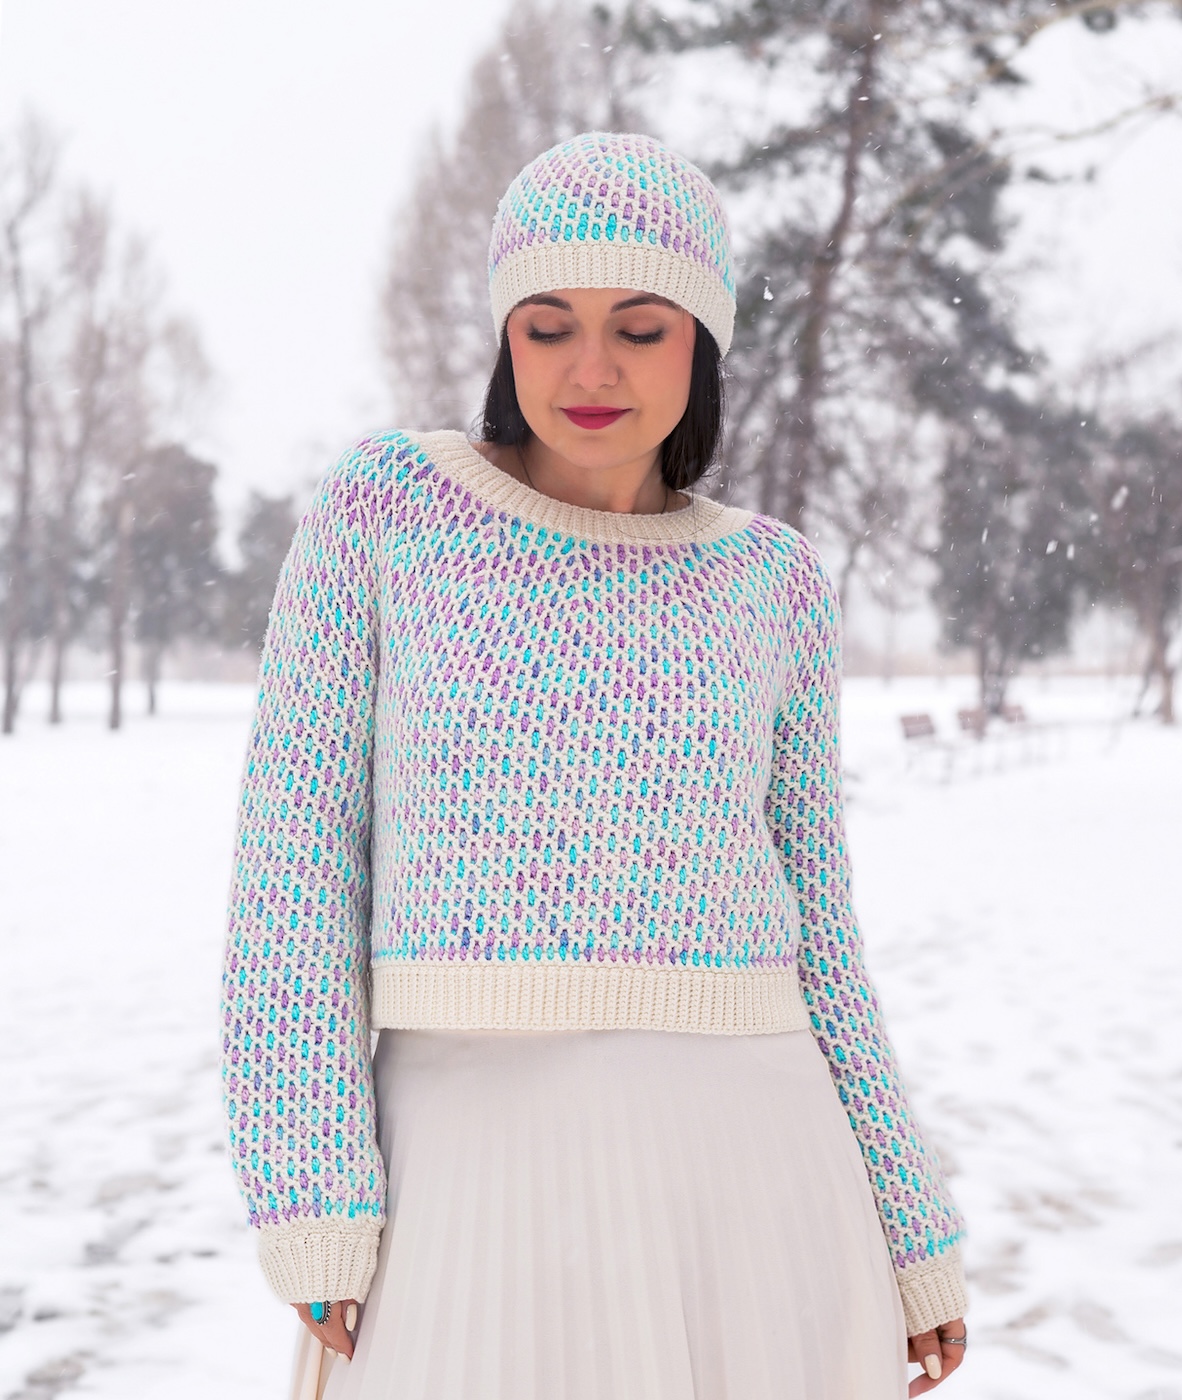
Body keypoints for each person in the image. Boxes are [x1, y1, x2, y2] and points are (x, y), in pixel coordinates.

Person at [219, 130, 969, 1400]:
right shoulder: (387, 511)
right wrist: (309, 1179)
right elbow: (293, 869)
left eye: (641, 324)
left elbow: (822, 929)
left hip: (760, 1177)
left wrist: (910, 1218)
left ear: (704, 345)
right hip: (468, 1176)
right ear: (506, 339)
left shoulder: (771, 579)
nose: (593, 367)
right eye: (549, 323)